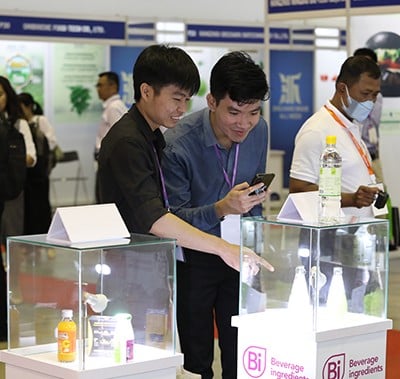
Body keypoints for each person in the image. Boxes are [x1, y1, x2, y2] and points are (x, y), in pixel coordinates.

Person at [98, 45, 273, 332]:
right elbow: (155, 216)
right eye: (176, 99)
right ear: (146, 91)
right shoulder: (130, 141)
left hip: (157, 264)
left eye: (186, 99)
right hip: (135, 268)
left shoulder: (151, 135)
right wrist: (222, 246)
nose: (182, 108)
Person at [161, 51, 270, 379]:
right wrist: (222, 208)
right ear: (211, 101)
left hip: (241, 252)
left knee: (243, 347)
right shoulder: (178, 144)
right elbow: (172, 218)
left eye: (252, 112)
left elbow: (256, 192)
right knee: (196, 355)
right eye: (234, 112)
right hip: (195, 257)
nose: (244, 123)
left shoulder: (259, 130)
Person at [289, 55, 382, 217]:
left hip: (358, 232)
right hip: (332, 234)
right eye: (365, 93)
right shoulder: (316, 130)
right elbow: (299, 190)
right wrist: (351, 199)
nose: (370, 101)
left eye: (374, 95)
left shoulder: (350, 125)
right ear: (341, 89)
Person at [0, 76, 36, 325]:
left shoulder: (18, 124)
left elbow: (31, 157)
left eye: (0, 94)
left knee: (11, 239)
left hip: (11, 190)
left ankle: (15, 287)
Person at [17, 92, 58, 235]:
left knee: (40, 202)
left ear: (29, 106)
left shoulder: (40, 120)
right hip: (27, 171)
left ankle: (44, 231)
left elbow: (52, 142)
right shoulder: (19, 124)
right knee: (29, 204)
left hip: (40, 169)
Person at [94, 71, 127, 202]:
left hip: (110, 165)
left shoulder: (114, 108)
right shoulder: (111, 107)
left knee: (105, 204)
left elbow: (120, 139)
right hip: (106, 162)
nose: (98, 89)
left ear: (113, 86)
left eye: (100, 85)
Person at [353, 48, 384, 184]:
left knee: (381, 196)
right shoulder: (347, 95)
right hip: (353, 157)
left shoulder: (379, 97)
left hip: (372, 154)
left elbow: (374, 123)